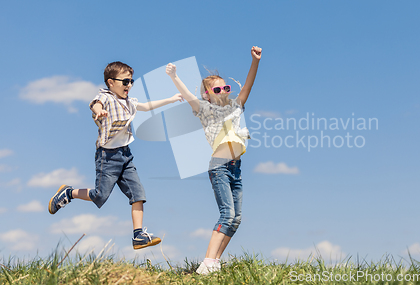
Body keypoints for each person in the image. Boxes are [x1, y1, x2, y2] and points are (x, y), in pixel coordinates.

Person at [48, 61, 183, 250]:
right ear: (111, 82)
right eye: (125, 82)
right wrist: (99, 111)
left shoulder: (129, 103)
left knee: (138, 194)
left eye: (131, 82)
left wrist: (170, 99)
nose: (129, 86)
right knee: (99, 195)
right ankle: (68, 193)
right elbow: (95, 104)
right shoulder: (106, 97)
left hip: (125, 155)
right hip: (108, 156)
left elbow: (146, 106)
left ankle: (138, 236)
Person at [165, 46, 262, 274]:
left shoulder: (236, 107)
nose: (224, 91)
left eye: (226, 87)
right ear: (208, 94)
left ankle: (215, 261)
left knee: (236, 218)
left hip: (236, 168)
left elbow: (248, 85)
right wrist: (174, 76)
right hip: (219, 167)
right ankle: (207, 262)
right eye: (218, 88)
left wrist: (255, 61)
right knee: (226, 214)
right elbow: (189, 95)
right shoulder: (205, 109)